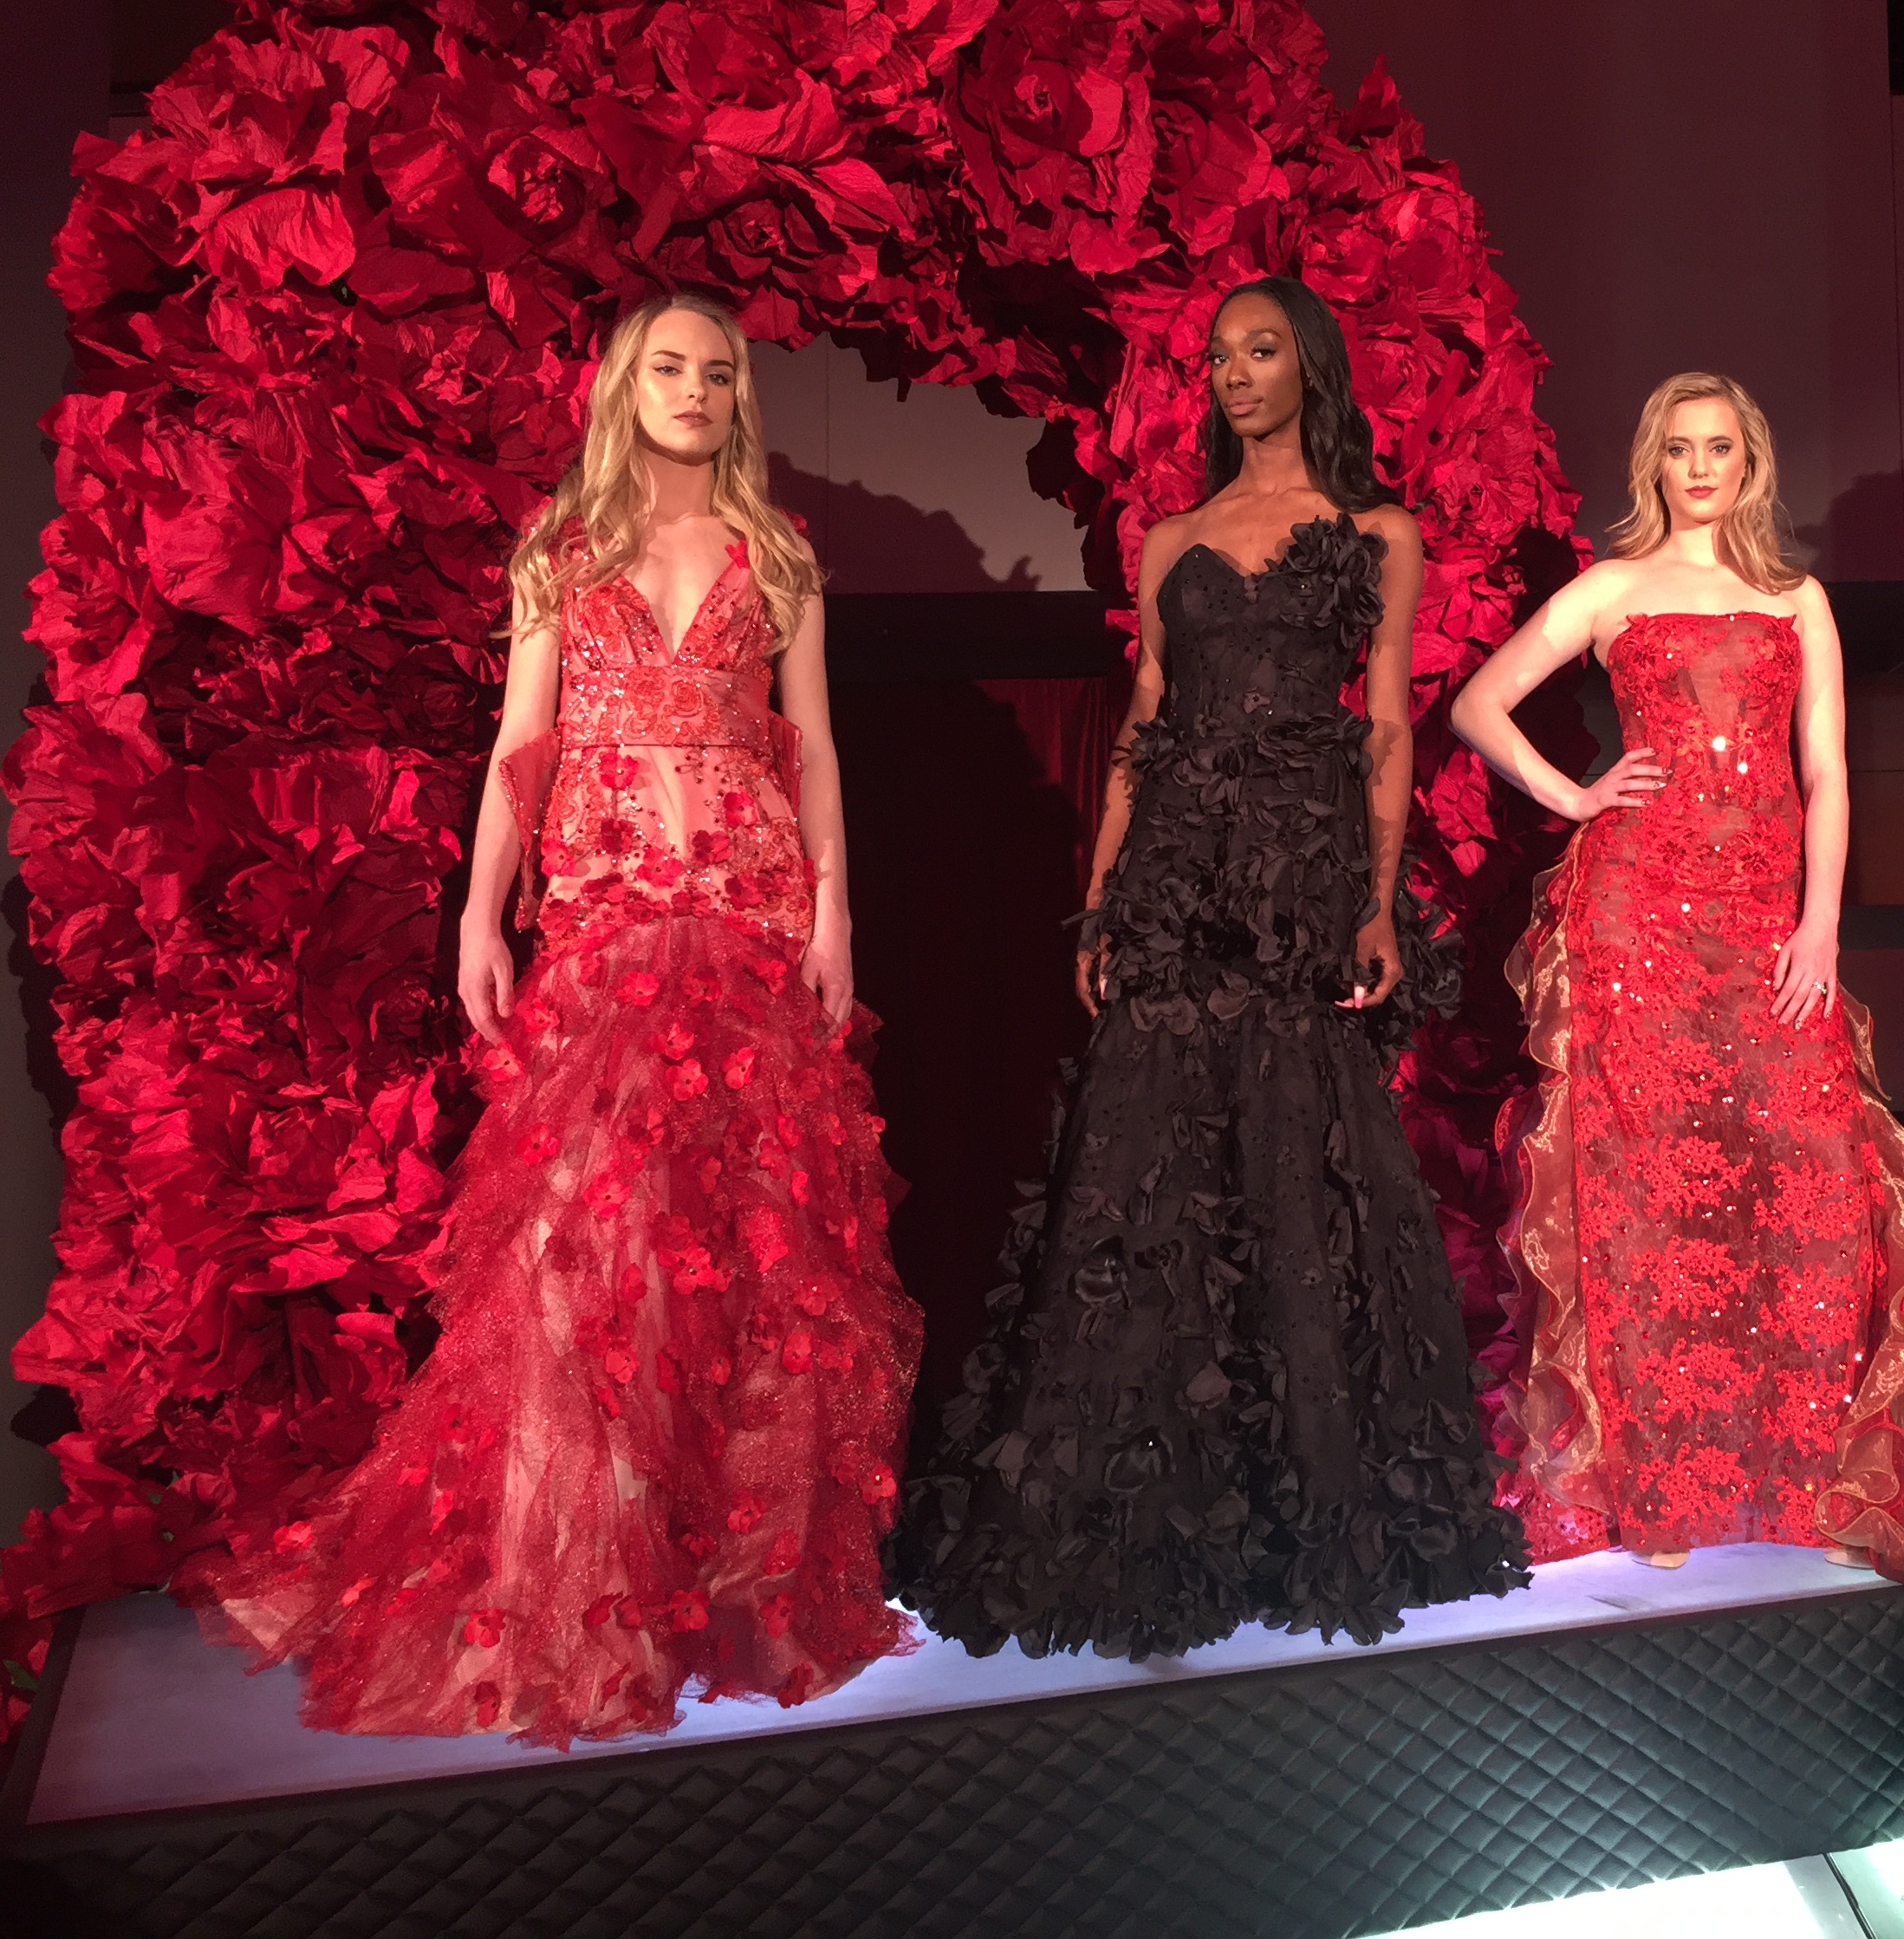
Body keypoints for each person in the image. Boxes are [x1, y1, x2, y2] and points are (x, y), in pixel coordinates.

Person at [178, 296, 922, 1747]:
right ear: (625, 386)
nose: (695, 390)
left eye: (718, 373)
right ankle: (573, 1592)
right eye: (670, 368)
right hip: (607, 919)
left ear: (739, 397)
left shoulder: (776, 553)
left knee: (754, 1253)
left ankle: (726, 1582)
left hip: (748, 917)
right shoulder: (563, 547)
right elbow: (522, 742)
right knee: (591, 1259)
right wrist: (479, 913)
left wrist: (834, 915)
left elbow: (814, 748)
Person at [881, 277, 1527, 1658]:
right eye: (1221, 355)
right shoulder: (1169, 538)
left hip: (1302, 875)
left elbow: (1388, 726)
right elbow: (1147, 719)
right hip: (1179, 874)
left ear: (1310, 367)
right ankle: (1146, 1513)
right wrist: (1103, 896)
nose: (1234, 373)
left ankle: (1306, 1509)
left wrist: (1374, 902)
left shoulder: (1376, 531)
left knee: (1299, 1159)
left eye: (1260, 350)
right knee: (1149, 1168)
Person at [1446, 372, 1904, 1637]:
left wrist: (1821, 922)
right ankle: (1656, 1482)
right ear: (1653, 463)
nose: (1700, 466)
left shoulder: (1793, 597)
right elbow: (1476, 703)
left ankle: (1803, 1472)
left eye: (1720, 446)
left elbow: (1828, 772)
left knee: (1810, 1181)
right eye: (1679, 447)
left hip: (1767, 922)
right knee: (1644, 1193)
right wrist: (1576, 796)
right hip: (1636, 916)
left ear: (1750, 462)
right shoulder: (1612, 589)